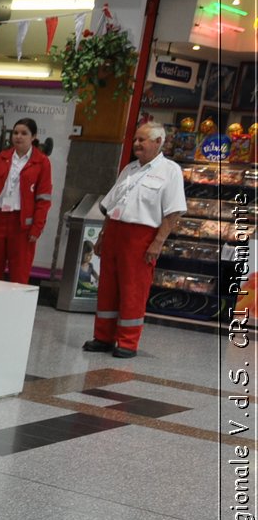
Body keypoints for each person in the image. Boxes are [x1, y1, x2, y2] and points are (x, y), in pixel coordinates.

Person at [82, 122, 186, 359]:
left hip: (141, 237)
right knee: (107, 288)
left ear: (158, 142)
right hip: (115, 234)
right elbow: (111, 206)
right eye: (136, 140)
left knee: (133, 290)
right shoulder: (129, 169)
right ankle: (103, 337)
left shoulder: (170, 171)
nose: (137, 144)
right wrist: (103, 235)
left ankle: (127, 342)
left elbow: (173, 212)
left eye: (143, 140)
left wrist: (158, 242)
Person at [0, 117, 52, 285]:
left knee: (20, 272)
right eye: (16, 133)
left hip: (22, 225)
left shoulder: (42, 162)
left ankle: (15, 310)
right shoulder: (1, 158)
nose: (18, 136)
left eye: (24, 133)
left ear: (33, 137)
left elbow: (43, 199)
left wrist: (37, 227)